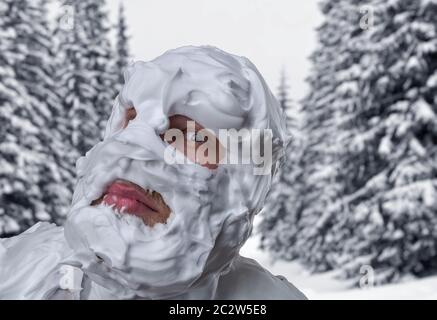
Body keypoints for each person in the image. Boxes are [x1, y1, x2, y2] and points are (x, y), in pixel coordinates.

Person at [0, 46, 307, 300]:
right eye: (130, 121)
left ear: (246, 184)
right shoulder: (19, 271)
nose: (132, 146)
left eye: (189, 135)